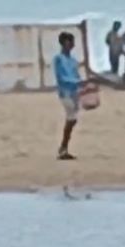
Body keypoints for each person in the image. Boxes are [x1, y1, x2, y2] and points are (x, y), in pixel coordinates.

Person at [53, 32, 84, 160]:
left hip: (74, 92)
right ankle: (63, 148)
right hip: (65, 92)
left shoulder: (73, 61)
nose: (72, 44)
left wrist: (82, 85)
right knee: (71, 118)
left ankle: (64, 147)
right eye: (70, 41)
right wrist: (77, 82)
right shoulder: (59, 59)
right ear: (64, 42)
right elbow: (61, 78)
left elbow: (76, 76)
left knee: (73, 119)